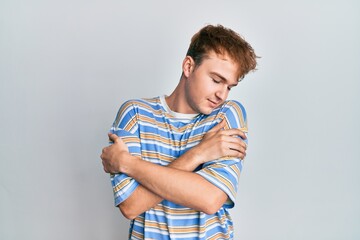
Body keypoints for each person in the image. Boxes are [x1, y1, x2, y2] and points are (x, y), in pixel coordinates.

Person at [101, 24, 258, 239]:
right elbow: (131, 205)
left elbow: (209, 199)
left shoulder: (227, 116)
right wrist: (200, 154)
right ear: (188, 66)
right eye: (216, 80)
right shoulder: (135, 114)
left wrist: (128, 164)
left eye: (229, 86)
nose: (222, 94)